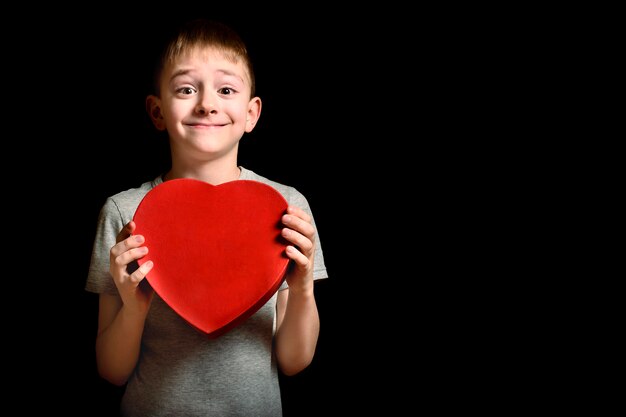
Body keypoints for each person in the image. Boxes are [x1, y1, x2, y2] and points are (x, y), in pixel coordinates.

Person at [85, 18, 328, 416]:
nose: (207, 103)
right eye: (186, 89)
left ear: (251, 114)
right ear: (157, 110)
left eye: (226, 89)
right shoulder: (124, 212)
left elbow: (294, 361)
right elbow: (111, 371)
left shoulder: (286, 207)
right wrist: (134, 308)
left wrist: (301, 290)